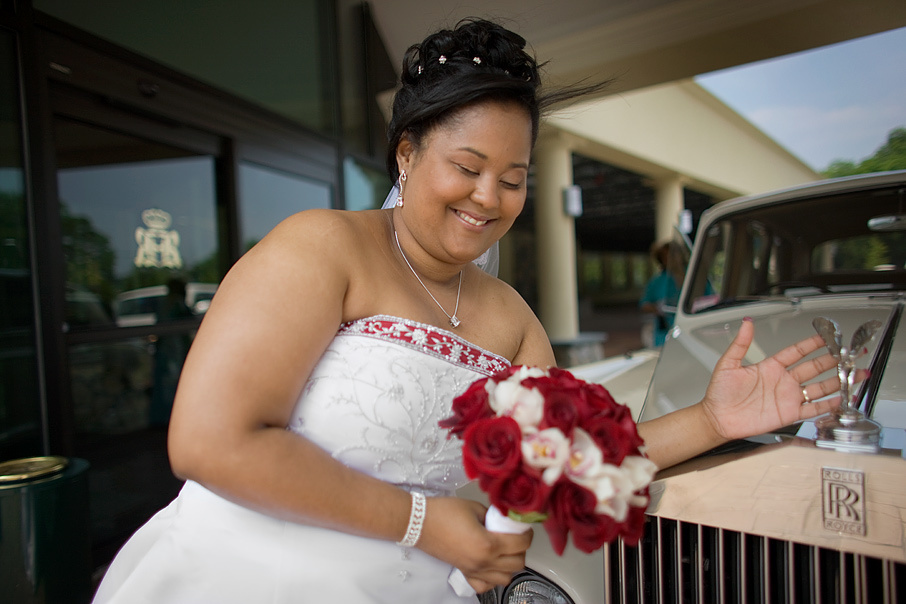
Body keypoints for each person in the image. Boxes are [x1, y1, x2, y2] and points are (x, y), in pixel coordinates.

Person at [92, 18, 849, 603]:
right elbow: (208, 439)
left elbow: (568, 470)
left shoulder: (512, 317)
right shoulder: (321, 247)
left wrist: (714, 420)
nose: (490, 198)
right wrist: (421, 522)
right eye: (468, 167)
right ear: (407, 153)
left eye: (514, 178)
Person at [640, 240, 685, 346]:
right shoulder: (656, 282)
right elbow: (644, 304)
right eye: (667, 257)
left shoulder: (692, 276)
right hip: (665, 331)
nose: (672, 259)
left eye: (674, 255)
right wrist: (658, 308)